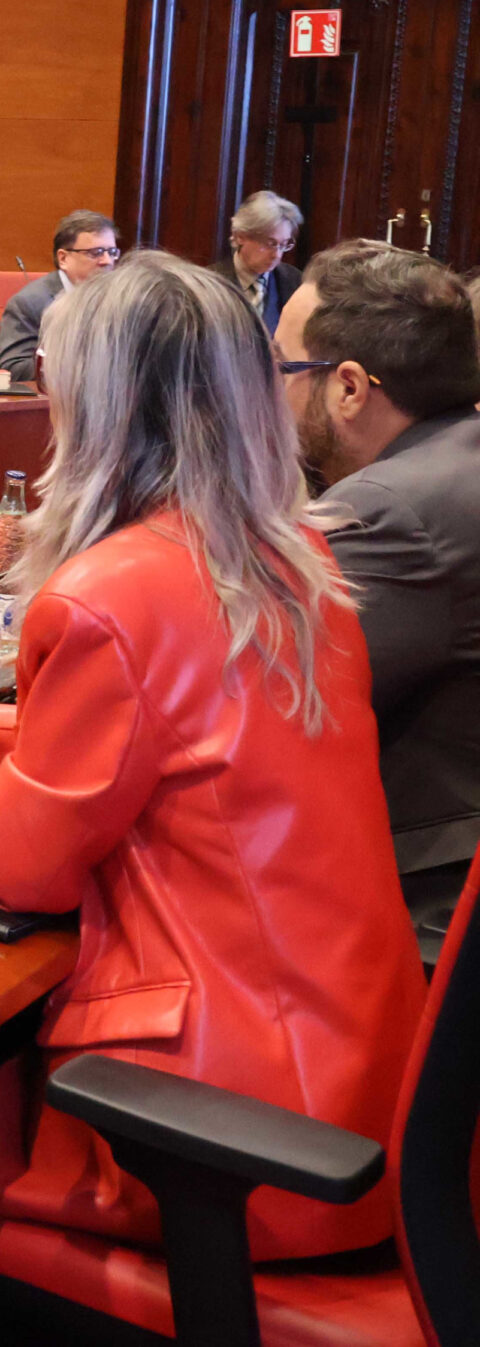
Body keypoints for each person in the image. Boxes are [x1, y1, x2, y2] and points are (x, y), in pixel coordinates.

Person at [0, 252, 422, 1264]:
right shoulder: (290, 558)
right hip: (358, 1099)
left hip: (215, 1136)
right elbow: (180, 752)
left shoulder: (108, 594)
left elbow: (12, 869)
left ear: (96, 404)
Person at [273, 239, 480, 955]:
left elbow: (265, 699)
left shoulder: (390, 508)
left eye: (283, 368)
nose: (271, 393)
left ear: (350, 388)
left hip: (418, 905)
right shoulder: (457, 457)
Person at [0, 210, 119, 376]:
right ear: (63, 259)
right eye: (95, 253)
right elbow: (12, 369)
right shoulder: (29, 303)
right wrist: (81, 361)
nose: (107, 261)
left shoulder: (120, 299)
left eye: (112, 252)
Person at [217, 189, 304, 332]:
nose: (277, 255)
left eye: (283, 245)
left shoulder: (295, 281)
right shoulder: (210, 282)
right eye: (270, 244)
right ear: (240, 236)